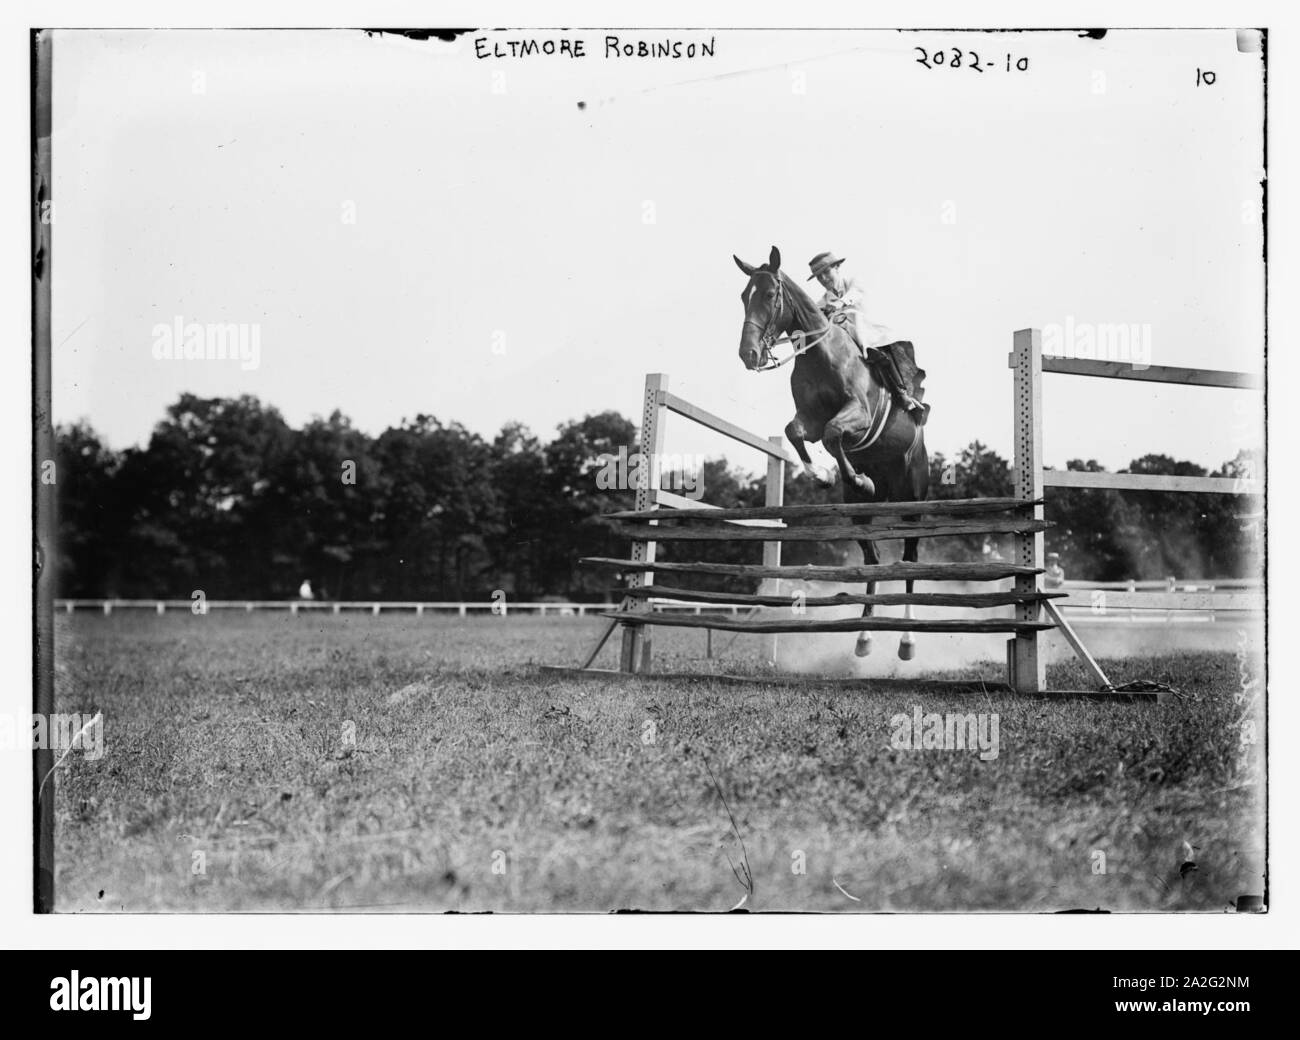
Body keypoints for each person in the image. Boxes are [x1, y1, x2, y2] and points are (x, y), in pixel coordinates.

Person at [808, 251, 925, 417]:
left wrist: (839, 304)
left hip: (869, 331)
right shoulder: (823, 301)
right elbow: (812, 317)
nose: (824, 279)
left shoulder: (853, 282)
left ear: (837, 267)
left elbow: (854, 295)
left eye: (826, 272)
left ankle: (902, 394)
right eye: (819, 277)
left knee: (876, 344)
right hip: (847, 339)